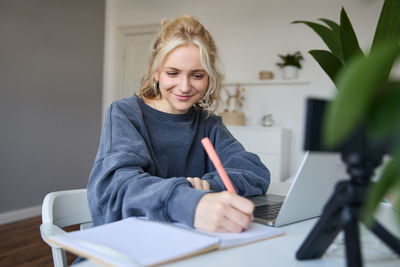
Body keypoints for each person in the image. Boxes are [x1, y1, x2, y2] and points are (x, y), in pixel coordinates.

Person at [87, 15, 270, 233]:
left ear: (209, 77)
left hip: (189, 243)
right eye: (172, 73)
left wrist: (210, 185)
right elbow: (119, 186)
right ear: (156, 72)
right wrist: (189, 199)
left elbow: (254, 171)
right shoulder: (125, 114)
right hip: (131, 242)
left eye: (197, 75)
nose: (184, 87)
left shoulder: (208, 124)